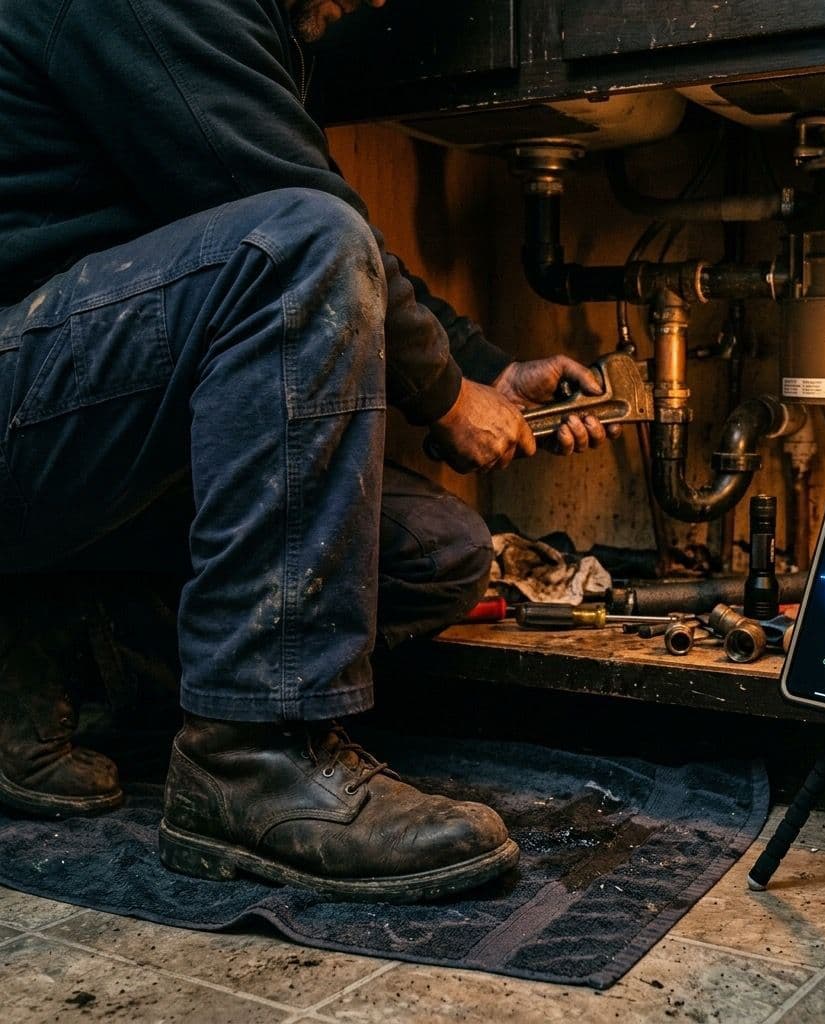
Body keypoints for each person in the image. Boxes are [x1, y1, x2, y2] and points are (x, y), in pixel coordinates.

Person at [0, 0, 617, 901]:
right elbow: (308, 236)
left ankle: (57, 650)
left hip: (75, 419)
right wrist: (448, 398)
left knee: (438, 553)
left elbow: (330, 223)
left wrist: (488, 370)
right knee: (302, 244)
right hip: (22, 384)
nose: (369, 2)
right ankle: (250, 755)